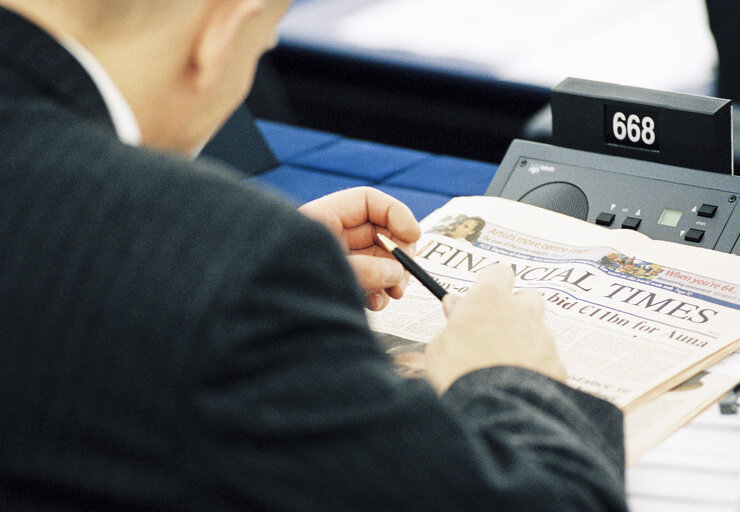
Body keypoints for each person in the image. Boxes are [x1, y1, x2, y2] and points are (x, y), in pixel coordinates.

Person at [0, 1, 627, 510]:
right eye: (262, 45)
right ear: (223, 27)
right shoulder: (230, 266)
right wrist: (506, 374)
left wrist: (255, 279)